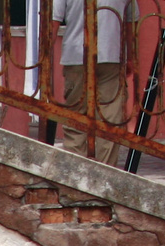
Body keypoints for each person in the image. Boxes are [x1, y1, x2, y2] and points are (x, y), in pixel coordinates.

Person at [54, 0, 134, 163]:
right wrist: (131, 56)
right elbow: (131, 20)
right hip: (112, 56)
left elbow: (53, 19)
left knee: (76, 121)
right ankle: (105, 175)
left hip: (77, 56)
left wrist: (44, 57)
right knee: (110, 121)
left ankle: (75, 176)